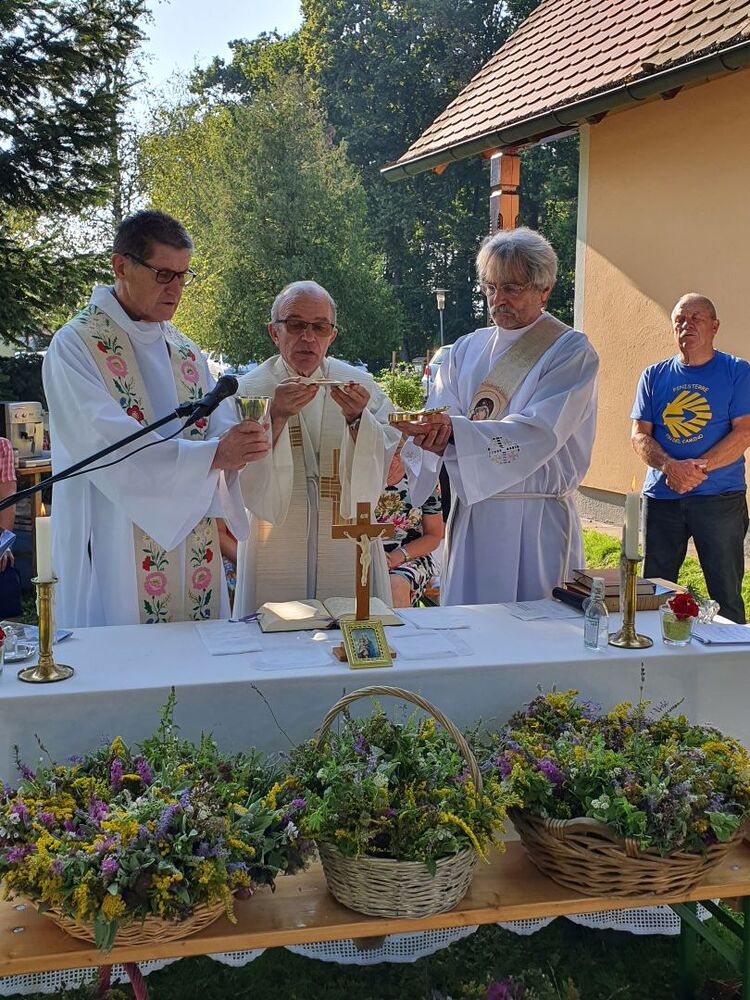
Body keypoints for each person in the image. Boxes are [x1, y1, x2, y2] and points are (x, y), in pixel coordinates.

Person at [43, 210, 270, 627]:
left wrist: (240, 444)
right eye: (164, 274)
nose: (176, 289)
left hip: (194, 539)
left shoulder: (185, 350)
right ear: (121, 266)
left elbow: (216, 421)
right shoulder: (75, 345)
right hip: (112, 534)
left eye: (183, 275)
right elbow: (105, 442)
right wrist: (212, 455)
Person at [392, 227, 598, 605]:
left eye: (512, 288)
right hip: (474, 516)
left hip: (536, 522)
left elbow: (541, 431)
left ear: (545, 289)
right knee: (469, 626)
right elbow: (444, 414)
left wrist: (455, 433)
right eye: (490, 287)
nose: (498, 299)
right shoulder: (465, 349)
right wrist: (431, 433)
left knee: (534, 631)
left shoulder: (570, 351)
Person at [234, 281, 401, 614]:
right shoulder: (249, 390)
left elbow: (389, 455)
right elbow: (234, 466)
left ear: (332, 335)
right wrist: (275, 416)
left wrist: (358, 420)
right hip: (275, 536)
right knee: (272, 630)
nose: (308, 337)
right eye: (295, 325)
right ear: (274, 332)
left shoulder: (358, 385)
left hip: (344, 532)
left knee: (348, 624)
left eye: (319, 327)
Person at [631, 293, 750, 623]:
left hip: (719, 499)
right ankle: (652, 649)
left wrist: (695, 470)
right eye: (680, 320)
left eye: (696, 318)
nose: (687, 326)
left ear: (715, 326)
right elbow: (639, 435)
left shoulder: (737, 371)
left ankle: (731, 653)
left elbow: (744, 433)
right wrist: (670, 466)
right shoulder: (654, 375)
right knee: (654, 590)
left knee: (725, 594)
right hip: (662, 498)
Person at [375, 443, 443, 607]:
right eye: (385, 451)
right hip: (365, 553)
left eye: (397, 451)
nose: (391, 459)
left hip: (409, 555)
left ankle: (399, 625)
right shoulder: (357, 477)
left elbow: (434, 535)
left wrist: (398, 556)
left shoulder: (423, 480)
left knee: (396, 585)